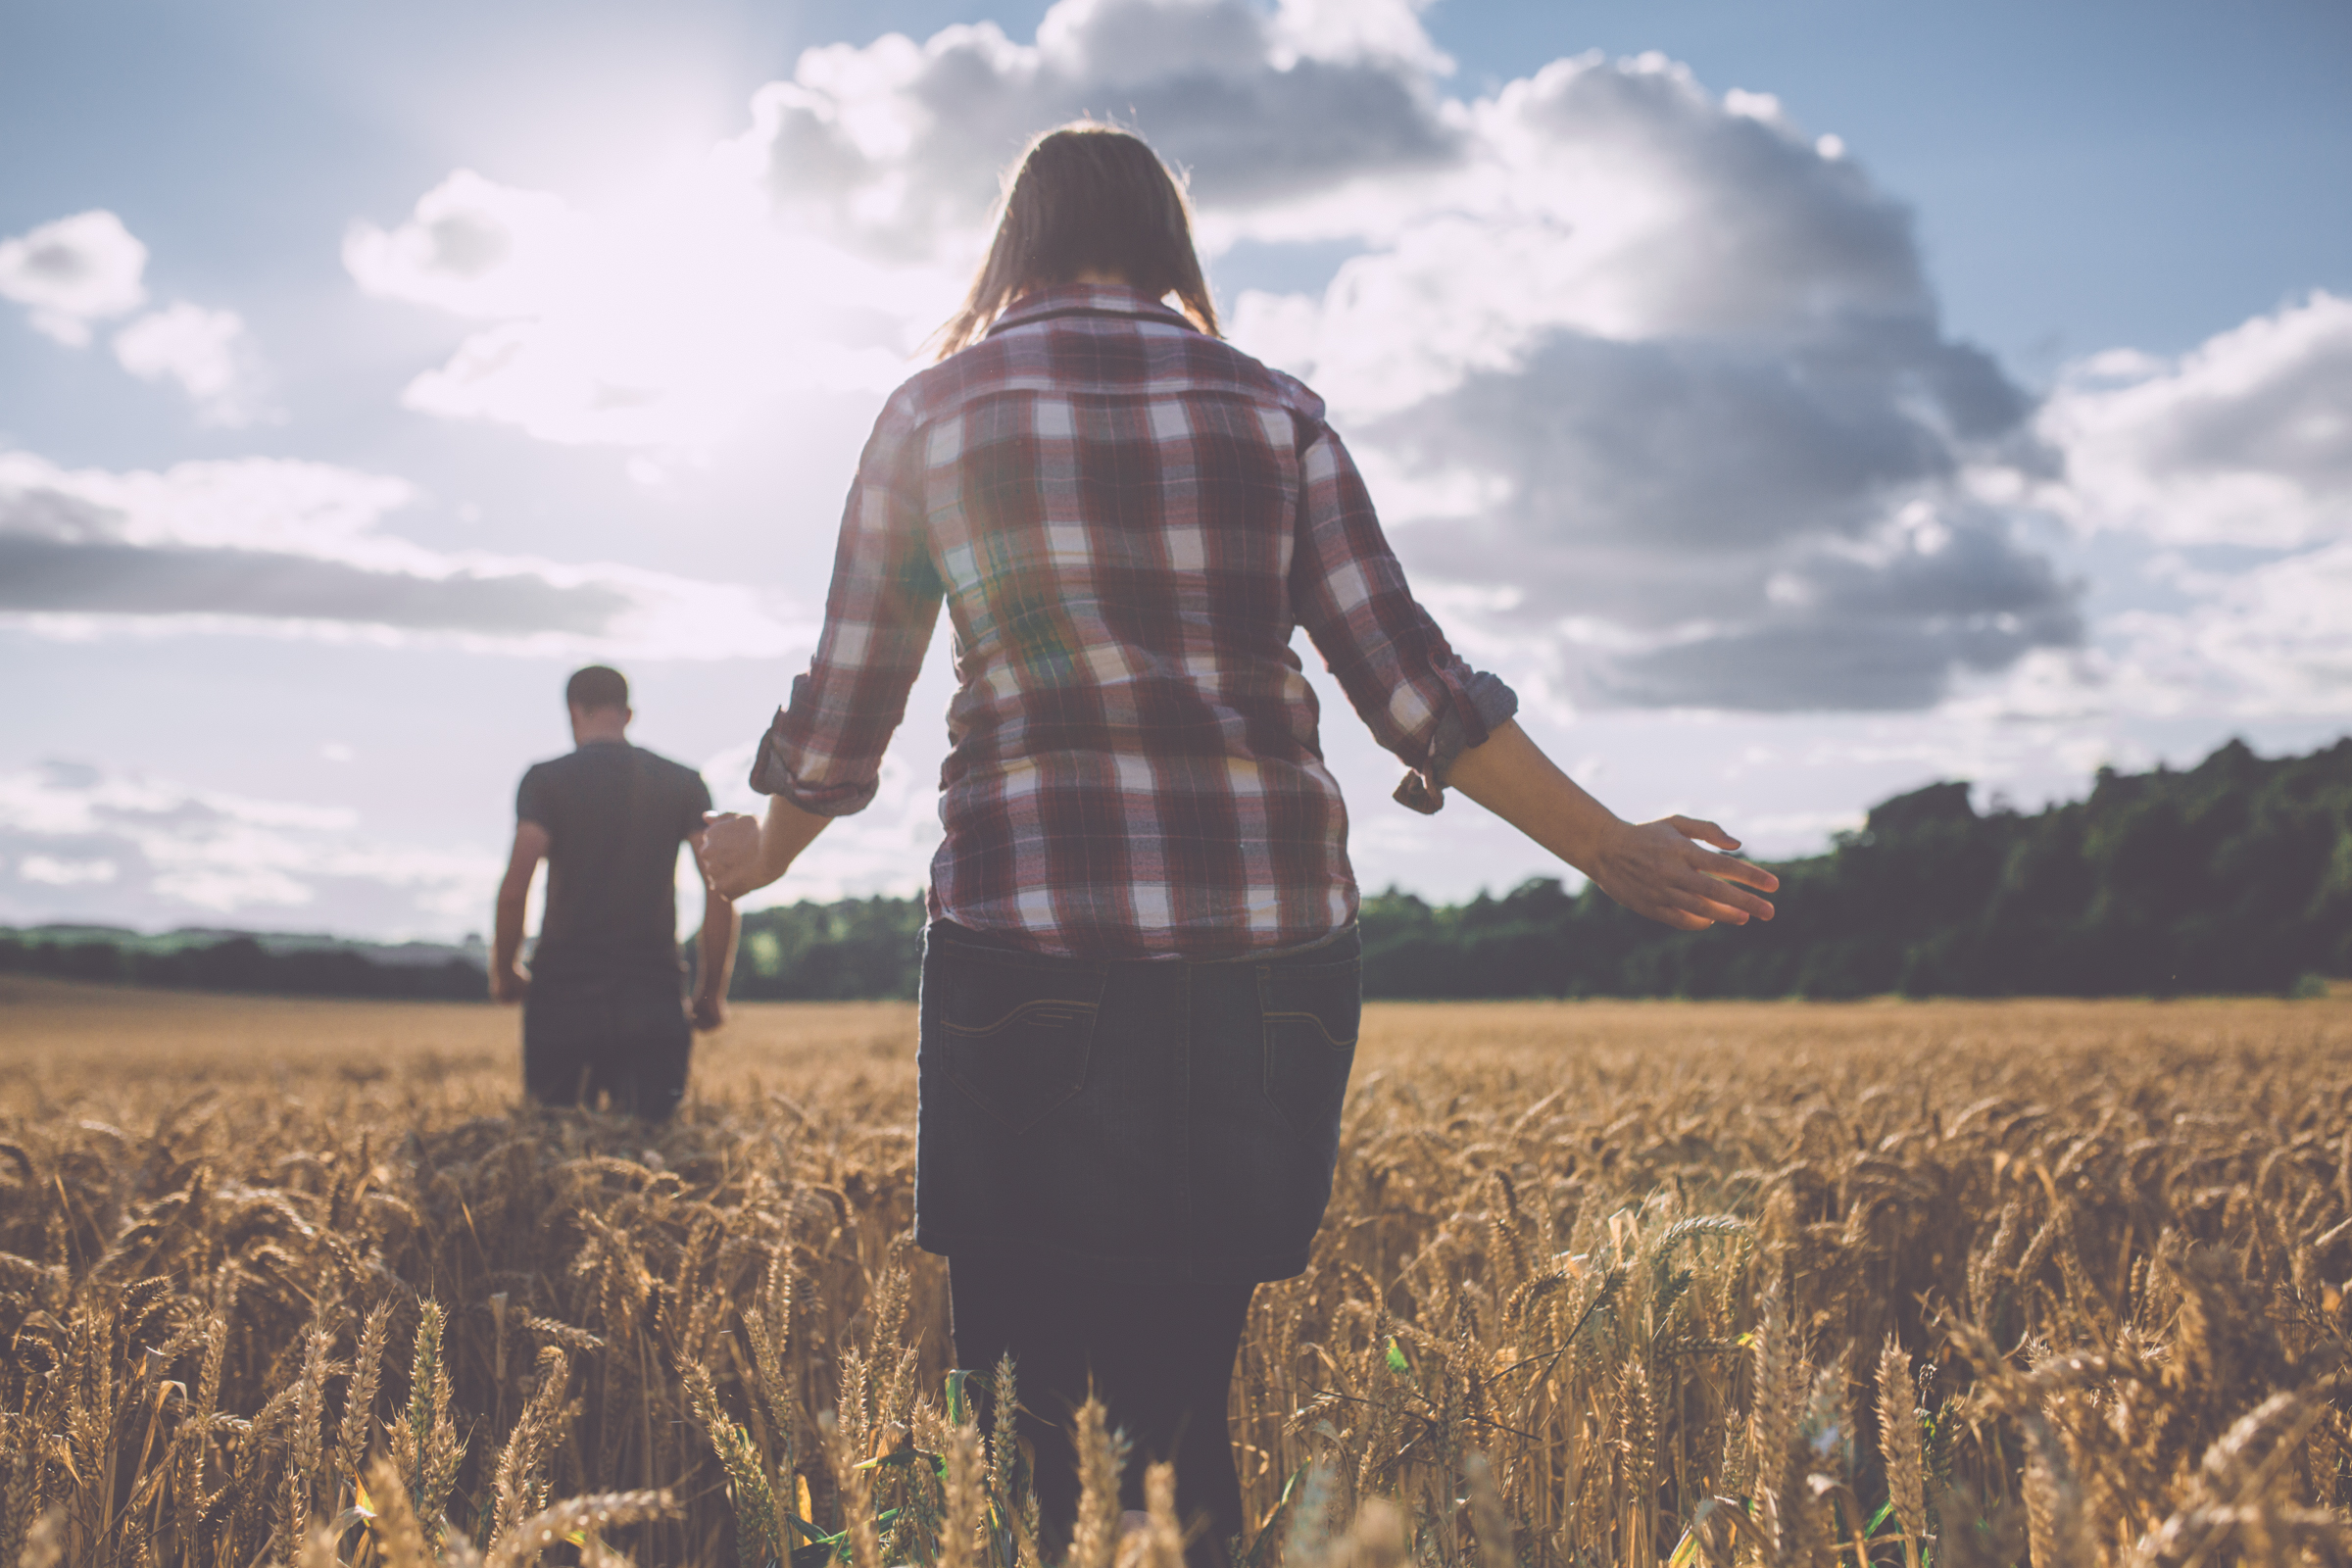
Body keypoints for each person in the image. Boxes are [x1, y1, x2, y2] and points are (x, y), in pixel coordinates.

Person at [696, 124, 1778, 1565]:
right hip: (1265, 971)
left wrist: (765, 853)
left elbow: (845, 714)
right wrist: (1612, 849)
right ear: (1166, 247)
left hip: (1029, 954)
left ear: (1013, 243)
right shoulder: (1276, 412)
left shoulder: (933, 414)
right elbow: (1414, 685)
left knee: (1018, 1416)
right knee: (1178, 1411)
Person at [494, 664, 738, 1120]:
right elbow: (721, 889)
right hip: (653, 992)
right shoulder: (683, 781)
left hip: (562, 994)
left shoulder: (545, 780)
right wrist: (709, 993)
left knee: (553, 1156)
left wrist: (505, 971)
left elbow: (514, 890)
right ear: (628, 714)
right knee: (654, 1154)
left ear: (573, 712)